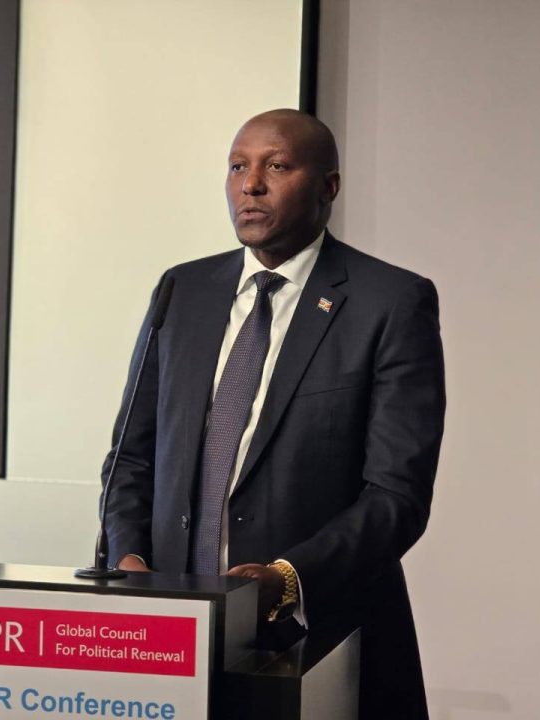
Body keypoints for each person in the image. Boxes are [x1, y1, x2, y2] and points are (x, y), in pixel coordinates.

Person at [101, 109, 445, 718]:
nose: (251, 185)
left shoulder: (390, 302)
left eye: (277, 166)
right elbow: (132, 453)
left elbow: (397, 495)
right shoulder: (182, 291)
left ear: (328, 186)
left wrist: (288, 578)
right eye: (238, 167)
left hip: (317, 643)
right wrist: (128, 561)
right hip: (171, 643)